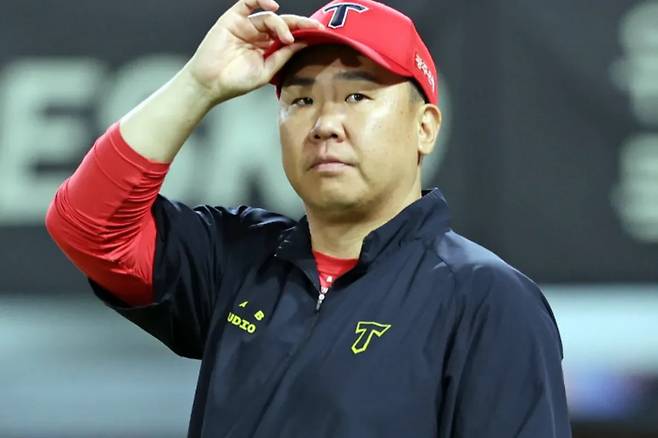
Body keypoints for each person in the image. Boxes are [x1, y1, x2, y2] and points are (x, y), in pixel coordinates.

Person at [45, 0, 572, 436]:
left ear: (425, 128)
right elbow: (87, 225)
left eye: (357, 95)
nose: (324, 124)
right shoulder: (238, 258)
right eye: (300, 100)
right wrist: (199, 85)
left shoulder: (485, 298)